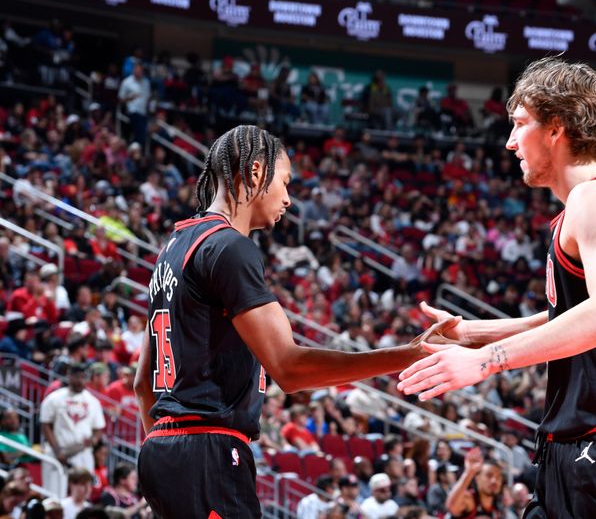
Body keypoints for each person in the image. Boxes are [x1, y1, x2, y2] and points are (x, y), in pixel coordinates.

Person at [134, 124, 457, 518]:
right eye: (284, 183)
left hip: (163, 452)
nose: (287, 198)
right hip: (207, 449)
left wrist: (172, 462)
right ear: (255, 172)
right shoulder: (230, 247)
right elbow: (288, 368)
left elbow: (142, 383)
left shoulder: (172, 248)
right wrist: (407, 355)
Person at [398, 57, 596, 517]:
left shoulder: (595, 197)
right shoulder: (593, 203)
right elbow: (573, 316)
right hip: (582, 444)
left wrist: (485, 362)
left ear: (556, 127)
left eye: (520, 124)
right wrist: (473, 333)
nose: (509, 142)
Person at [41, 363, 106, 495]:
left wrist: (93, 440)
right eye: (76, 377)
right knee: (55, 495)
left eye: (83, 377)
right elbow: (45, 424)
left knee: (82, 495)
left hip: (82, 453)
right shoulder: (54, 398)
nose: (79, 381)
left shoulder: (93, 401)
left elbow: (98, 427)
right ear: (69, 376)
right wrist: (57, 450)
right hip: (58, 452)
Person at [445, 448, 504, 519]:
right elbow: (451, 507)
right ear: (477, 478)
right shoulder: (468, 498)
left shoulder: (500, 505)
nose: (494, 481)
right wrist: (469, 472)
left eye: (498, 477)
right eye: (489, 475)